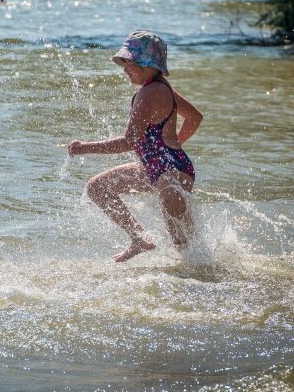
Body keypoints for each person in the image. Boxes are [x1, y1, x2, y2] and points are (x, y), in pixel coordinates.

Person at [67, 30, 202, 262]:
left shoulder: (150, 93)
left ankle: (203, 280)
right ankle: (139, 239)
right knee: (98, 188)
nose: (123, 68)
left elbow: (129, 141)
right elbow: (195, 118)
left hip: (171, 176)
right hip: (155, 169)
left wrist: (84, 148)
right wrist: (176, 145)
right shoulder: (163, 88)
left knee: (185, 250)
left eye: (127, 63)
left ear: (145, 64)